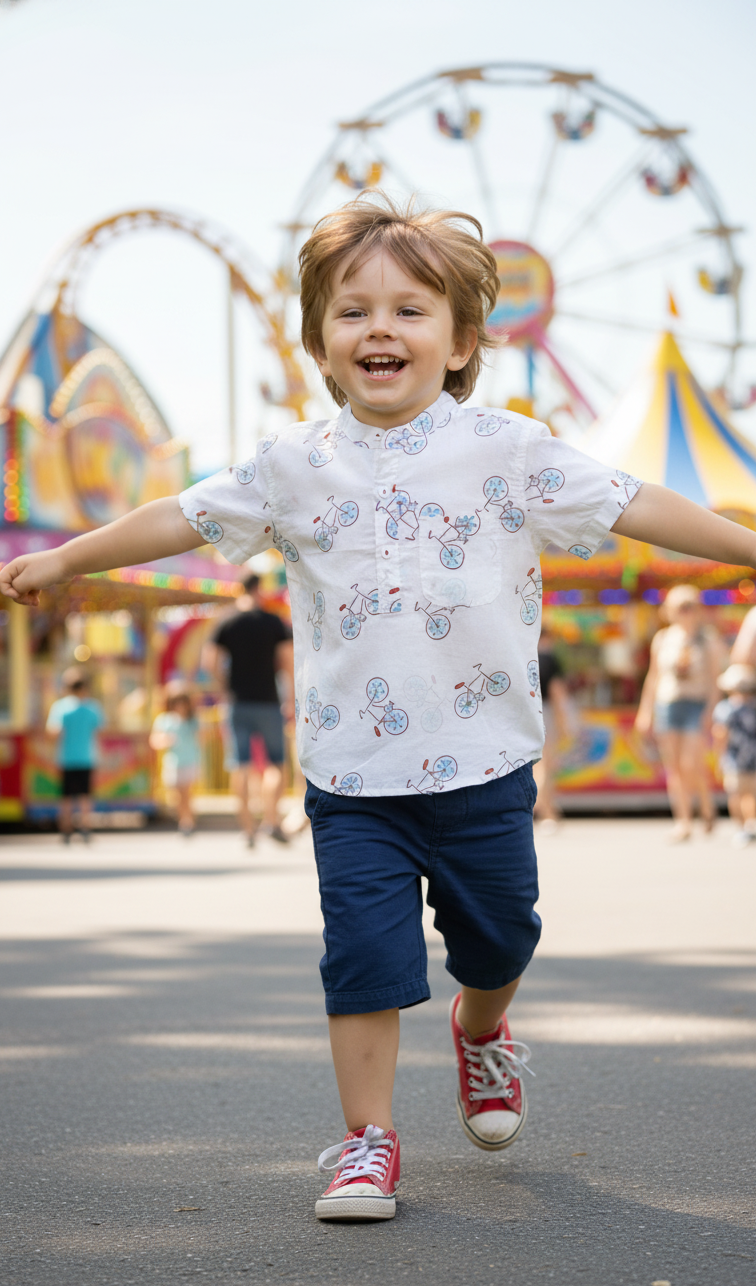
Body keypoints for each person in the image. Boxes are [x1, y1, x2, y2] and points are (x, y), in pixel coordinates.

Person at [3, 195, 756, 1225]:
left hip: (485, 765)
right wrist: (68, 555)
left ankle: (482, 1033)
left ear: (459, 341)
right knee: (361, 956)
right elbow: (176, 514)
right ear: (319, 341)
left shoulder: (510, 448)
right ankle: (368, 1142)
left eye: (410, 309)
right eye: (353, 312)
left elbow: (636, 502)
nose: (381, 330)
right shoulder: (292, 464)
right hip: (352, 775)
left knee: (501, 945)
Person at [203, 572, 294, 845]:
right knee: (276, 764)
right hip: (268, 701)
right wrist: (289, 697)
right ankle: (271, 819)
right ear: (259, 589)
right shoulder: (273, 621)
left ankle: (247, 830)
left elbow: (209, 662)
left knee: (240, 765)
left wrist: (224, 686)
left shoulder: (226, 621)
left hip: (237, 702)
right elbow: (287, 660)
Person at [635, 585, 723, 841]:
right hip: (668, 704)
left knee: (691, 763)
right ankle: (683, 820)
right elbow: (653, 677)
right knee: (673, 767)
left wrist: (711, 711)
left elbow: (716, 680)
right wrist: (645, 711)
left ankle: (706, 804)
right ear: (670, 611)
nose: (685, 612)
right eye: (680, 607)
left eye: (689, 606)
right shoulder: (663, 638)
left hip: (696, 704)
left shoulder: (708, 639)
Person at [46, 667, 104, 843]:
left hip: (66, 757)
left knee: (66, 795)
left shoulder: (61, 707)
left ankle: (66, 828)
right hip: (87, 756)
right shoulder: (93, 707)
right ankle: (86, 827)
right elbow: (99, 730)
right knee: (85, 794)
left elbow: (53, 732)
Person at [711, 663, 756, 847]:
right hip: (753, 757)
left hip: (734, 758)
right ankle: (750, 824)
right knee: (750, 795)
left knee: (736, 795)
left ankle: (742, 827)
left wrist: (718, 756)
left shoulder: (724, 709)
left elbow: (720, 734)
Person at [149, 681, 202, 836]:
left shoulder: (192, 720)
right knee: (177, 795)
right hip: (173, 762)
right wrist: (166, 740)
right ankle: (184, 819)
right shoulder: (164, 720)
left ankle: (187, 822)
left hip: (190, 761)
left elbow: (202, 737)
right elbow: (155, 740)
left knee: (187, 793)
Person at [533, 628, 571, 833]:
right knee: (546, 765)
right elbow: (557, 693)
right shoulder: (550, 659)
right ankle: (543, 810)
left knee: (535, 766)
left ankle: (548, 810)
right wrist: (563, 723)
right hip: (545, 713)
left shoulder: (524, 655)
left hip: (527, 713)